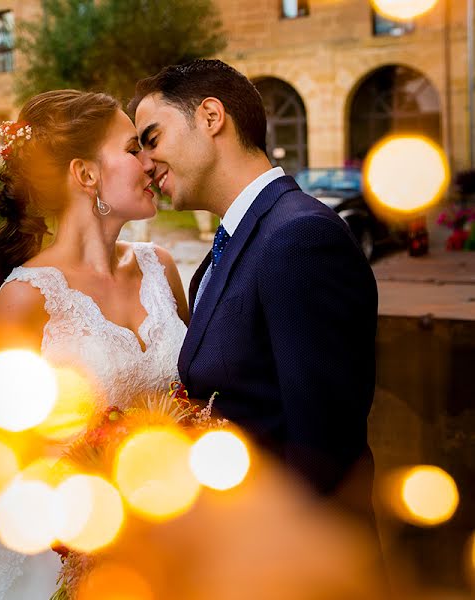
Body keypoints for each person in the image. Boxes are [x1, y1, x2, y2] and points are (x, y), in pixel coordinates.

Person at [0, 89, 189, 599]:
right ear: (86, 175)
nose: (150, 161)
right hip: (66, 556)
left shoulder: (159, 267)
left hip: (175, 537)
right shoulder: (26, 298)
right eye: (132, 148)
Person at [130, 59, 378, 514]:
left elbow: (323, 452)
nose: (144, 165)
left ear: (210, 117)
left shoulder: (300, 238)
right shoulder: (224, 252)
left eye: (152, 139)